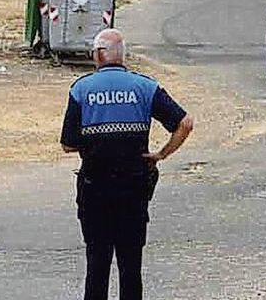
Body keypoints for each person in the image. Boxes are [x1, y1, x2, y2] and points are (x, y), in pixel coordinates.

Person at [61, 29, 194, 300]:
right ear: (123, 56)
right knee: (130, 268)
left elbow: (67, 143)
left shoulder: (81, 89)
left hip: (95, 190)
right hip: (134, 191)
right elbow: (185, 123)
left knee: (97, 265)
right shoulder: (145, 87)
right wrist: (161, 154)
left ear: (98, 54)